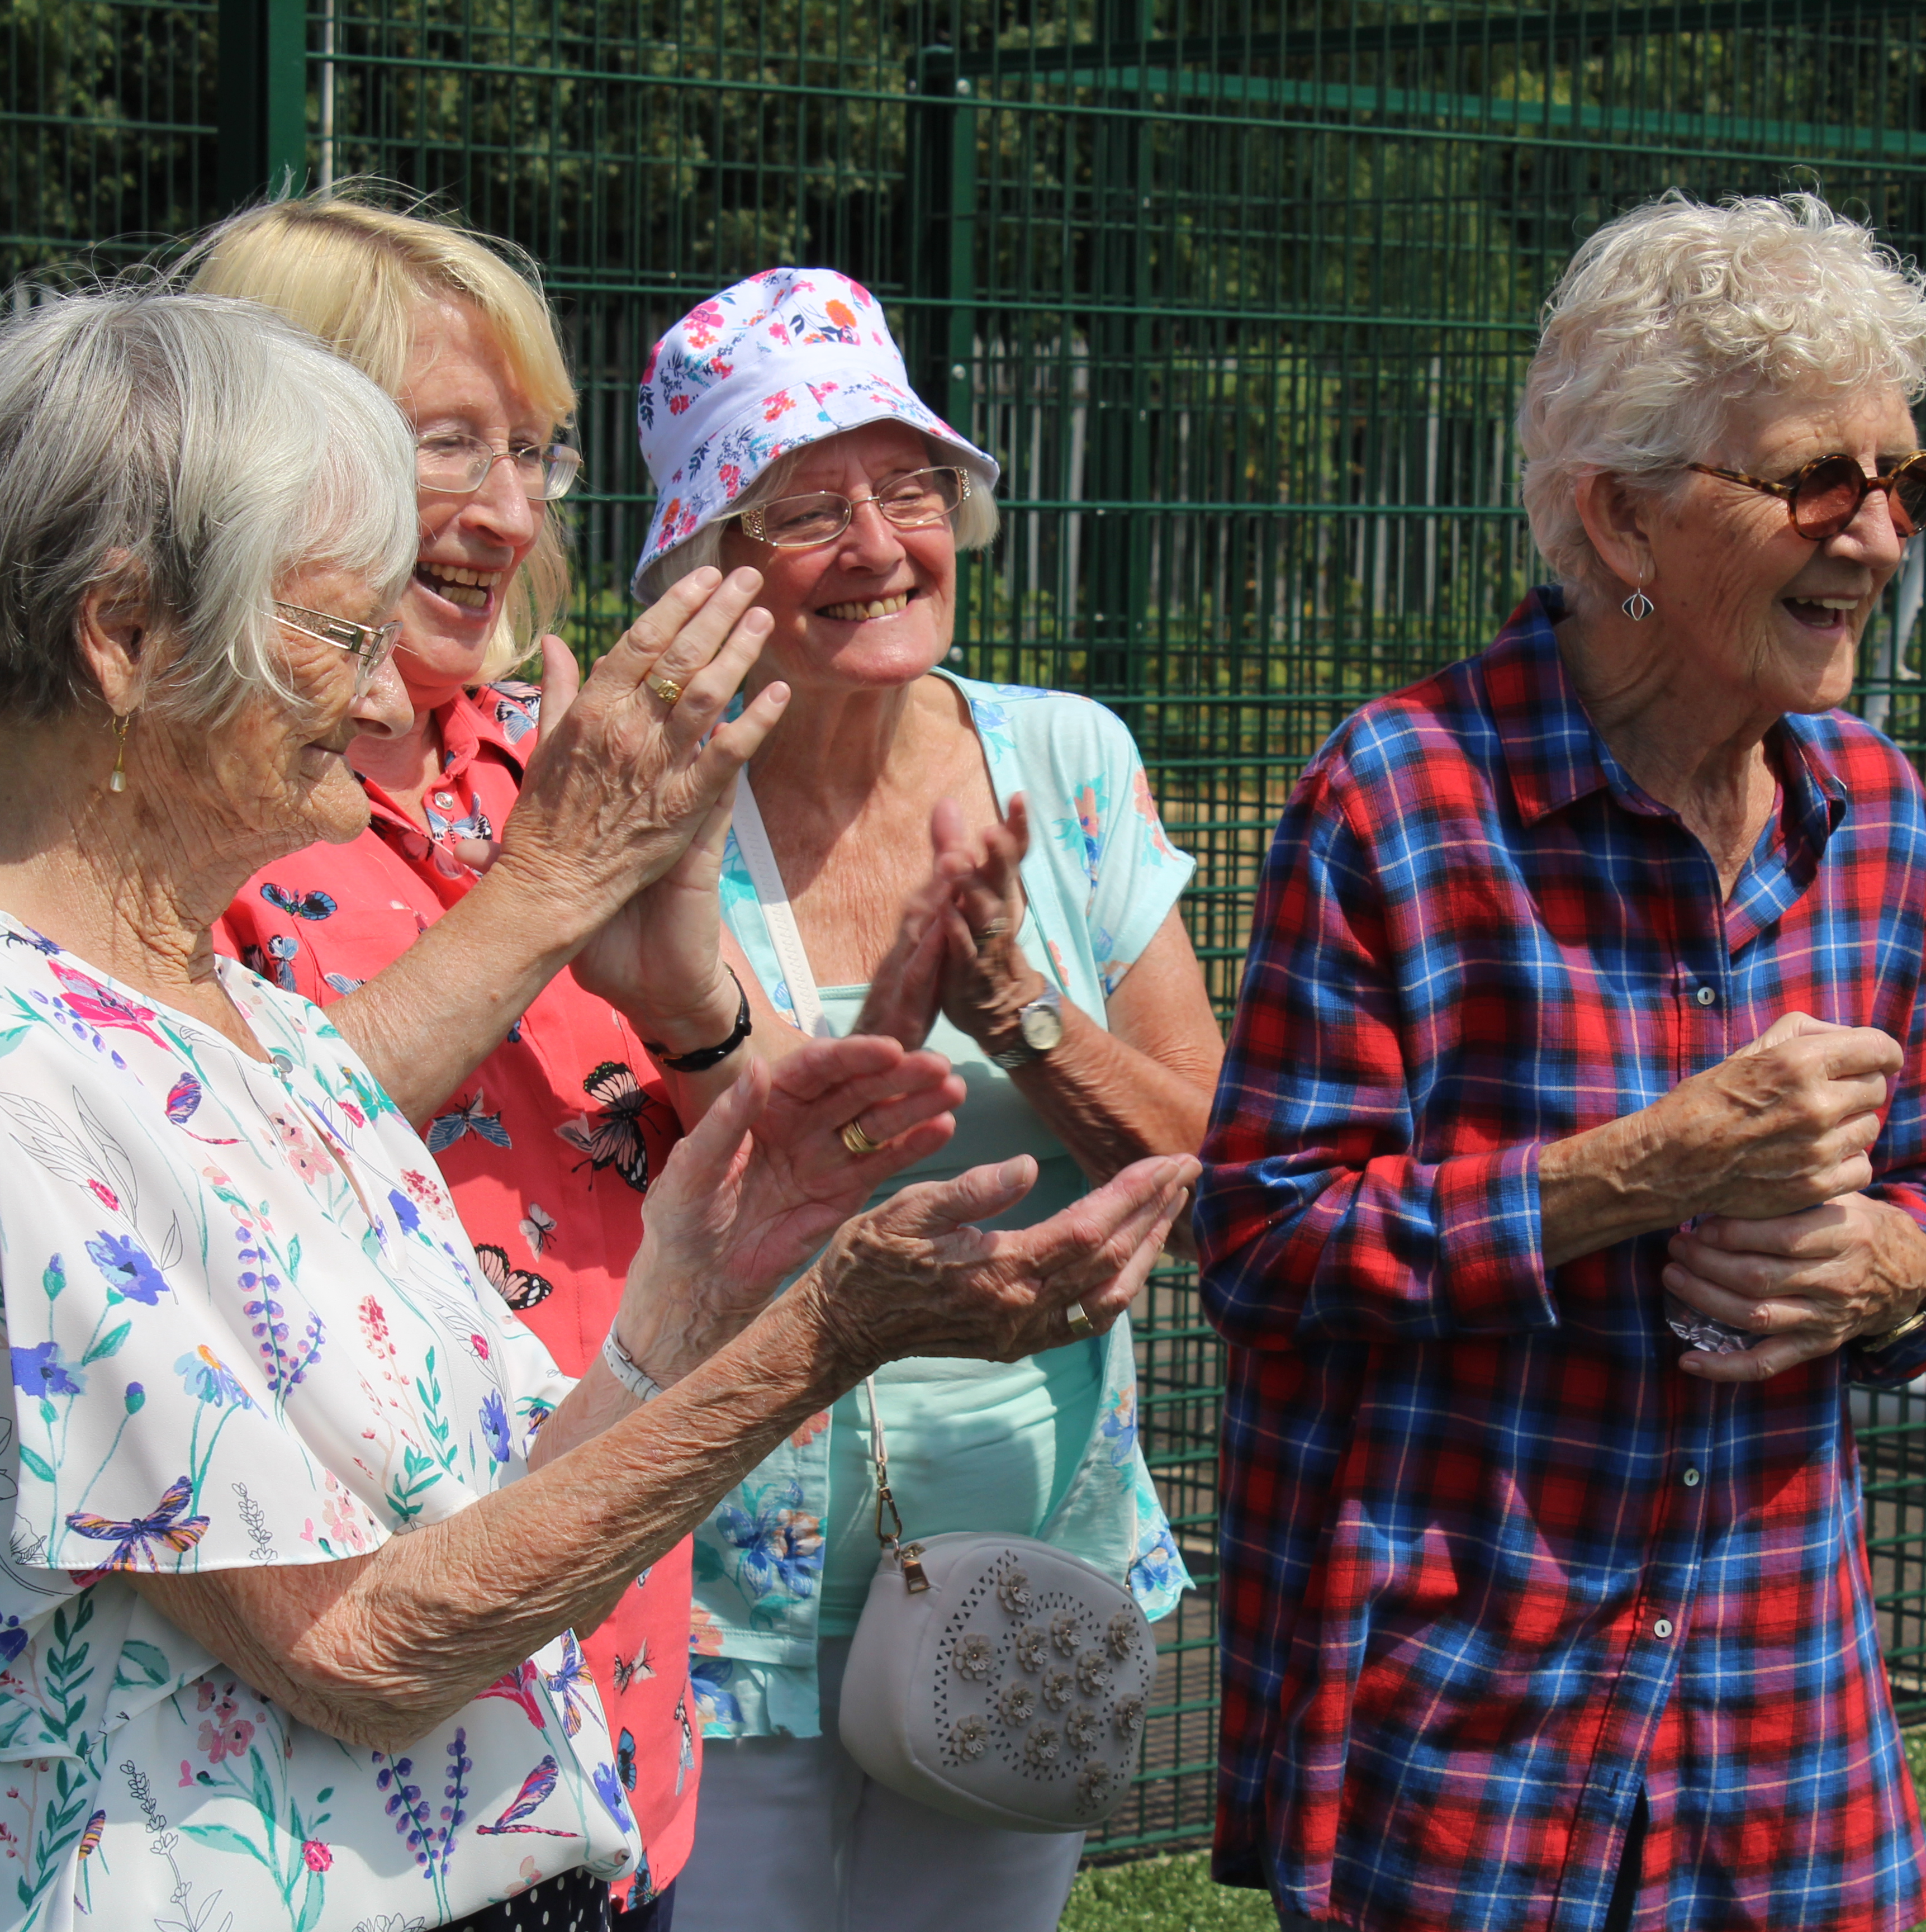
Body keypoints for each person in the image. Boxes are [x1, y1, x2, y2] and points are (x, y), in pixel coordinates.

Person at [0, 286, 1197, 1932]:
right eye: (332, 632)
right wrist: (827, 1340)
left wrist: (711, 1272)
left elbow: (479, 1497)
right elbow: (363, 1656)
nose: (385, 697)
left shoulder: (243, 1023)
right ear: (126, 636)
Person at [0, 184, 790, 1914]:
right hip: (312, 1735)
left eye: (534, 448)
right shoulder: (117, 808)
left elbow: (767, 1173)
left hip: (591, 1661)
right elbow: (200, 1163)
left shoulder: (539, 750)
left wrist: (691, 1000)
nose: (508, 507)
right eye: (446, 445)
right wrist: (542, 898)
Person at [1194, 193, 1926, 1932]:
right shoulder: (1400, 799)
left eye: (1905, 482)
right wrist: (1635, 1175)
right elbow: (1259, 1247)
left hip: (1783, 1722)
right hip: (1483, 1732)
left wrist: (1884, 1268)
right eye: (1815, 484)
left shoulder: (1880, 821)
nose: (1878, 538)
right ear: (1619, 512)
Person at [627, 267, 1225, 1930]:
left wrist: (1013, 1008)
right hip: (709, 1586)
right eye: (805, 507)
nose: (880, 546)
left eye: (909, 490)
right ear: (710, 562)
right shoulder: (649, 812)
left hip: (1029, 1561)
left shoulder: (1072, 761)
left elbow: (1218, 1148)